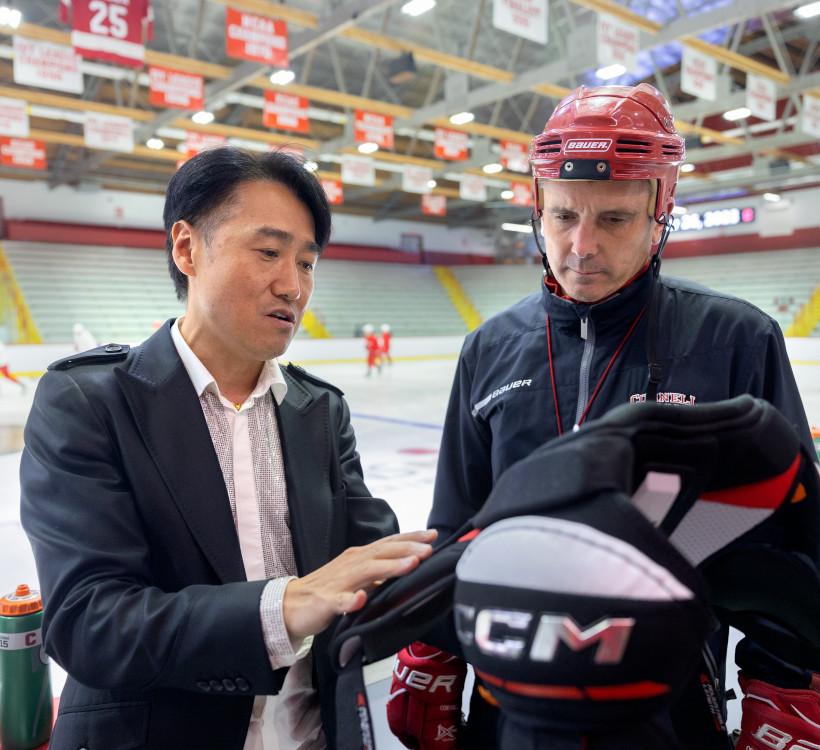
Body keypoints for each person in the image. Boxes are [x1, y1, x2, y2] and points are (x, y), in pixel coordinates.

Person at [388, 84, 818, 749]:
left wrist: (787, 685)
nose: (580, 244)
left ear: (660, 209)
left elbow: (787, 535)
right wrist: (436, 652)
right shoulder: (490, 348)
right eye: (562, 216)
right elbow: (458, 521)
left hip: (670, 704)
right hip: (511, 704)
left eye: (613, 219)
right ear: (537, 207)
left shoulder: (736, 340)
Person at [20, 147, 436, 750]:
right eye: (267, 252)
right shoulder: (90, 402)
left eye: (307, 262)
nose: (291, 285)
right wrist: (288, 605)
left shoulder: (320, 410)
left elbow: (369, 570)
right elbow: (89, 622)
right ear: (187, 249)